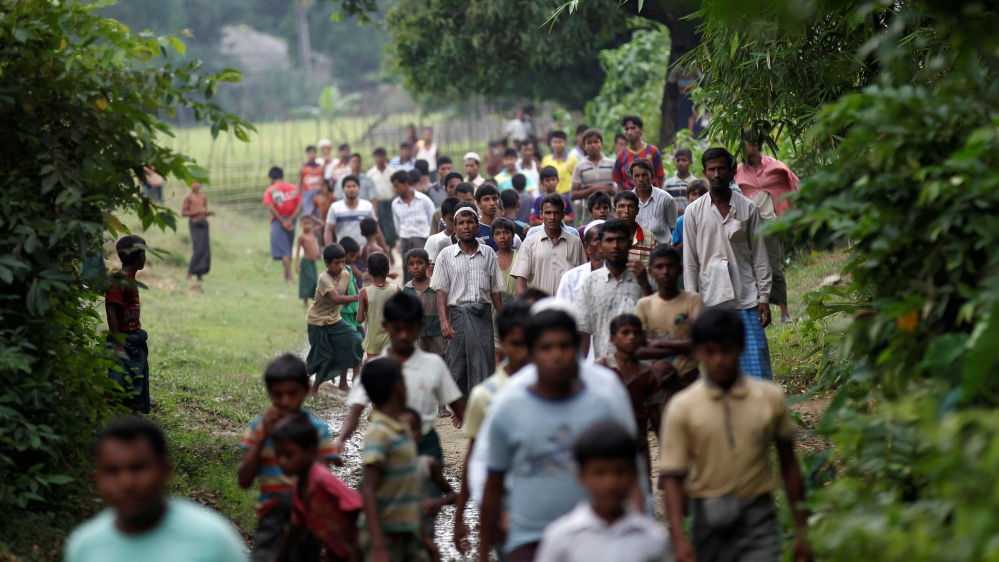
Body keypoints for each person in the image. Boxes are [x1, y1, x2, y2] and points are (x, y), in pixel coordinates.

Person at [478, 309, 642, 562]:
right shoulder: (507, 406)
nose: (556, 355)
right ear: (531, 353)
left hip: (594, 538)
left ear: (577, 349)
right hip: (531, 540)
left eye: (564, 346)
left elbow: (630, 469)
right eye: (546, 348)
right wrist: (483, 552)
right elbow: (493, 486)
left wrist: (638, 526)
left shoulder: (602, 400)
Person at [660, 308, 810, 562]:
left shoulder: (768, 397)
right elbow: (672, 476)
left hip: (757, 515)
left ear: (741, 347)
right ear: (697, 353)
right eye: (710, 352)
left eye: (726, 350)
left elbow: (789, 462)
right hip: (706, 516)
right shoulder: (682, 407)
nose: (719, 360)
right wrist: (678, 538)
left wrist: (802, 531)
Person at [65, 419, 246, 562]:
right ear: (97, 480)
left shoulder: (212, 539)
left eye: (138, 468)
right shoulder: (85, 548)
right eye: (112, 472)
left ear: (165, 472)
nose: (126, 483)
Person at [339, 293, 467, 470]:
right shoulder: (374, 368)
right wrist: (340, 440)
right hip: (387, 446)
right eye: (397, 329)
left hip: (425, 444)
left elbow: (459, 408)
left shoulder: (433, 365)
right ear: (386, 326)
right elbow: (355, 412)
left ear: (420, 327)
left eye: (409, 329)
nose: (404, 336)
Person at [238, 354, 339, 562]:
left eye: (292, 394)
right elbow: (244, 481)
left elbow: (320, 483)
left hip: (308, 516)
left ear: (306, 390)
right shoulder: (258, 429)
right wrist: (264, 438)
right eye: (278, 394)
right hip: (271, 515)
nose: (285, 401)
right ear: (269, 394)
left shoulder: (317, 431)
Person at [683, 147, 773, 379]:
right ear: (704, 172)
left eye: (722, 168)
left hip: (746, 294)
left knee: (756, 356)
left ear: (732, 170)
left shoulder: (748, 208)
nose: (716, 174)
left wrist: (764, 297)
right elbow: (690, 261)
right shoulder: (694, 212)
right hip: (711, 295)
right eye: (711, 169)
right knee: (718, 360)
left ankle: (761, 411)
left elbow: (760, 255)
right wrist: (692, 301)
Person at [452, 300, 532, 554]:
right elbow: (474, 456)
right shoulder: (486, 396)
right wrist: (460, 515)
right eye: (517, 344)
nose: (526, 352)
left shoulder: (554, 389)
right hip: (505, 506)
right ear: (503, 344)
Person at [534, 420, 669, 562]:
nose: (610, 483)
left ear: (635, 475)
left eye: (620, 472)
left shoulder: (652, 539)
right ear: (582, 477)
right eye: (599, 473)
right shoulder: (562, 538)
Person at [356, 358, 431, 562]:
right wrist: (378, 545)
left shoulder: (403, 429)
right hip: (384, 535)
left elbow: (410, 488)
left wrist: (425, 536)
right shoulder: (379, 434)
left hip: (408, 529)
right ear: (399, 388)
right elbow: (368, 489)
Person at [430, 207, 505, 395]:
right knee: (457, 364)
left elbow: (496, 291)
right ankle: (461, 405)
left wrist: (504, 321)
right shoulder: (445, 255)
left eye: (470, 222)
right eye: (461, 223)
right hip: (457, 316)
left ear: (478, 226)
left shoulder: (489, 253)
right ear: (454, 228)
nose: (466, 226)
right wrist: (444, 321)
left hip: (483, 316)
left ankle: (481, 402)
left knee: (484, 362)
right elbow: (441, 292)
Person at [271, 413, 363, 562]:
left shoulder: (323, 480)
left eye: (289, 455)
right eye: (278, 455)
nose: (282, 461)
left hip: (358, 550)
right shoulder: (298, 488)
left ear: (311, 451)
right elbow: (296, 527)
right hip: (335, 552)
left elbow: (358, 508)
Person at [735, 130, 800, 324]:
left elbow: (794, 185)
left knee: (774, 267)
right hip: (746, 224)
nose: (741, 149)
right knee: (751, 269)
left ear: (755, 146)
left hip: (770, 222)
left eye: (744, 144)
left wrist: (795, 215)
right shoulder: (737, 171)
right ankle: (761, 313)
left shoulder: (776, 167)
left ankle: (784, 312)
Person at [635, 245, 705, 404]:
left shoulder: (692, 300)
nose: (665, 271)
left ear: (680, 270)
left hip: (689, 378)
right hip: (659, 380)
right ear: (651, 272)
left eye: (670, 266)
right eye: (659, 267)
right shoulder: (645, 305)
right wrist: (683, 346)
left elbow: (701, 342)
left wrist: (658, 343)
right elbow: (636, 349)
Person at [578, 219, 651, 360]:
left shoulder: (645, 277)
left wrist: (645, 285)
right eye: (609, 240)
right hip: (605, 368)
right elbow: (583, 332)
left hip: (642, 367)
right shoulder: (590, 282)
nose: (615, 246)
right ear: (600, 245)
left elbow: (656, 321)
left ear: (630, 243)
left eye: (620, 240)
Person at [596, 314, 661, 464]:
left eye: (636, 333)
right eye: (625, 333)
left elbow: (654, 411)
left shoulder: (647, 372)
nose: (632, 337)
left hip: (639, 443)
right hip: (608, 442)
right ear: (613, 339)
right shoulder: (601, 367)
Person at [398, 407, 457, 561]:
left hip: (424, 533)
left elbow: (453, 495)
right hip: (394, 535)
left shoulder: (428, 465)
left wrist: (440, 501)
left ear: (421, 434)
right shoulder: (384, 468)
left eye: (413, 429)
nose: (408, 435)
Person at [306, 243, 364, 394]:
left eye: (343, 262)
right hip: (317, 321)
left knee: (356, 339)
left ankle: (353, 383)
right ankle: (313, 387)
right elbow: (337, 299)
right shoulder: (324, 279)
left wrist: (353, 306)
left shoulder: (345, 274)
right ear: (326, 263)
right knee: (325, 355)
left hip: (335, 320)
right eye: (336, 263)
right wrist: (360, 298)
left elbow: (345, 291)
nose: (340, 266)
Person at [511, 193, 586, 298]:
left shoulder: (575, 242)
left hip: (566, 308)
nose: (552, 217)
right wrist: (526, 308)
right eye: (548, 213)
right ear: (541, 214)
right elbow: (520, 280)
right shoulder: (529, 242)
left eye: (556, 213)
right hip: (538, 308)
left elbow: (583, 277)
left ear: (563, 214)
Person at [106, 236, 150, 415]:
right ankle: (107, 410)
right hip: (122, 340)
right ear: (141, 256)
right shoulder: (119, 280)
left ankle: (132, 412)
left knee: (136, 376)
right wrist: (117, 344)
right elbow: (111, 311)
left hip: (134, 337)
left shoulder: (130, 279)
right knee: (117, 377)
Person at [555, 220, 605, 364]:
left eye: (607, 240)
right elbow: (563, 321)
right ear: (587, 248)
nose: (603, 245)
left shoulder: (624, 277)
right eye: (598, 240)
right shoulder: (571, 278)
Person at [392, 170, 436, 283]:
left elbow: (432, 219)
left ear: (406, 183)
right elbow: (397, 225)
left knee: (422, 268)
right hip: (405, 240)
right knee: (407, 268)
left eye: (397, 186)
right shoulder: (395, 204)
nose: (395, 189)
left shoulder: (424, 200)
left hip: (422, 239)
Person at [403, 249, 446, 357]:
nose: (416, 267)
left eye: (420, 263)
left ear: (427, 264)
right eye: (411, 264)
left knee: (439, 361)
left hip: (437, 334)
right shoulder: (407, 289)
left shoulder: (436, 285)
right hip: (417, 336)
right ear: (408, 268)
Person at [358, 252, 401, 359]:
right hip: (392, 340)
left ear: (368, 271)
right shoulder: (396, 290)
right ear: (388, 270)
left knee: (375, 372)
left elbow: (359, 319)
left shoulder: (364, 292)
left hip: (373, 342)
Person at [570, 128, 616, 226]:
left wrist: (610, 190)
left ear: (601, 144)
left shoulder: (612, 164)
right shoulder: (580, 166)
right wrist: (593, 189)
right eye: (589, 143)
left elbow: (621, 190)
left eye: (596, 142)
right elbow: (573, 195)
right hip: (588, 214)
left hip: (610, 212)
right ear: (584, 146)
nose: (593, 145)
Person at [263, 167, 302, 283]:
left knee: (283, 249)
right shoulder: (294, 188)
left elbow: (271, 207)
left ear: (271, 178)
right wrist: (290, 220)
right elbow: (300, 206)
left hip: (278, 221)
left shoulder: (272, 190)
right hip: (292, 220)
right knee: (288, 247)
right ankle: (285, 275)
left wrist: (282, 221)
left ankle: (289, 277)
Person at [632, 158, 678, 245]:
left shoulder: (666, 199)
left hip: (661, 252)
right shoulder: (627, 201)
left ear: (652, 177)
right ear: (632, 179)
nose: (641, 179)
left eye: (645, 175)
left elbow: (673, 227)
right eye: (637, 176)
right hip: (635, 253)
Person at [612, 115, 665, 191]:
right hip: (629, 199)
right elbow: (619, 183)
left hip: (651, 198)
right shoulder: (621, 155)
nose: (629, 132)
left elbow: (661, 178)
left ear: (641, 130)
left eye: (633, 128)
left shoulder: (653, 151)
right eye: (627, 129)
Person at [327, 174, 376, 245]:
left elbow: (375, 228)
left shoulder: (367, 206)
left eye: (354, 186)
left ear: (359, 188)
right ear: (343, 189)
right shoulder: (335, 208)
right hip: (343, 250)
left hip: (364, 249)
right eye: (348, 186)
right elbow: (329, 230)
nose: (351, 189)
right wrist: (329, 250)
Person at [614, 190, 657, 265]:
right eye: (622, 206)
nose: (626, 211)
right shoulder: (609, 237)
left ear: (637, 210)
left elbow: (656, 267)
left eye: (631, 206)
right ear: (615, 211)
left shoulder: (649, 238)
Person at [181, 180, 213, 282]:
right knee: (198, 249)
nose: (197, 185)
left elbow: (203, 212)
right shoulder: (188, 197)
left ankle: (200, 275)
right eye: (195, 182)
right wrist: (196, 212)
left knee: (205, 250)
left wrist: (208, 213)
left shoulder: (203, 197)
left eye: (199, 182)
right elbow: (183, 213)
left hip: (204, 224)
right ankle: (189, 274)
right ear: (191, 184)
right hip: (195, 224)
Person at [369, 147, 398, 258]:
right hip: (378, 203)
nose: (380, 159)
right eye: (377, 156)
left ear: (385, 157)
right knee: (379, 225)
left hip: (390, 202)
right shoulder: (371, 174)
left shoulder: (391, 172)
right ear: (375, 158)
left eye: (381, 156)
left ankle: (390, 249)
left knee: (390, 226)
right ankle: (383, 250)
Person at [424, 197, 461, 271]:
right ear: (443, 218)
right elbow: (429, 270)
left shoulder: (469, 239)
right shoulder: (434, 240)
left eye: (457, 219)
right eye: (451, 219)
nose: (454, 223)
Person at [671, 180, 707, 254]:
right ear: (687, 197)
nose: (698, 198)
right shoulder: (681, 221)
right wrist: (690, 239)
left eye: (702, 194)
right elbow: (674, 250)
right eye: (694, 194)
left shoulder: (712, 218)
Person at [540, 131, 578, 199]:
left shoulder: (573, 160)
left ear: (565, 143)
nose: (557, 145)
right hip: (550, 195)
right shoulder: (546, 160)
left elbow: (577, 180)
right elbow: (542, 179)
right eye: (554, 142)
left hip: (568, 194)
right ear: (551, 143)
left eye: (560, 142)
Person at [296, 217, 322, 311]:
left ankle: (315, 301)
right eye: (304, 223)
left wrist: (313, 217)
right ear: (300, 225)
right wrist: (297, 264)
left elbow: (322, 224)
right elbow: (298, 250)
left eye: (309, 223)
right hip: (306, 262)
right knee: (307, 282)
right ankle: (305, 302)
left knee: (315, 281)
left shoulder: (312, 232)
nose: (307, 225)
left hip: (313, 262)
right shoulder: (301, 236)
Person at [429, 171, 464, 236]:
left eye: (458, 186)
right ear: (445, 189)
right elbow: (433, 236)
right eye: (451, 187)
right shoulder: (438, 213)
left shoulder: (472, 210)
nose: (455, 189)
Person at [664, 148, 697, 212]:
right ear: (674, 162)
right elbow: (663, 204)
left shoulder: (695, 183)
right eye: (678, 160)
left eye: (684, 160)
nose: (681, 163)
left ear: (690, 162)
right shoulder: (668, 184)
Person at [300, 146, 325, 220]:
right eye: (310, 153)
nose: (312, 155)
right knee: (308, 213)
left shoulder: (320, 167)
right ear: (307, 154)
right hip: (307, 194)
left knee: (319, 213)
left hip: (318, 193)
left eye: (314, 153)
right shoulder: (303, 168)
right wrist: (301, 196)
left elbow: (323, 181)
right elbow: (300, 183)